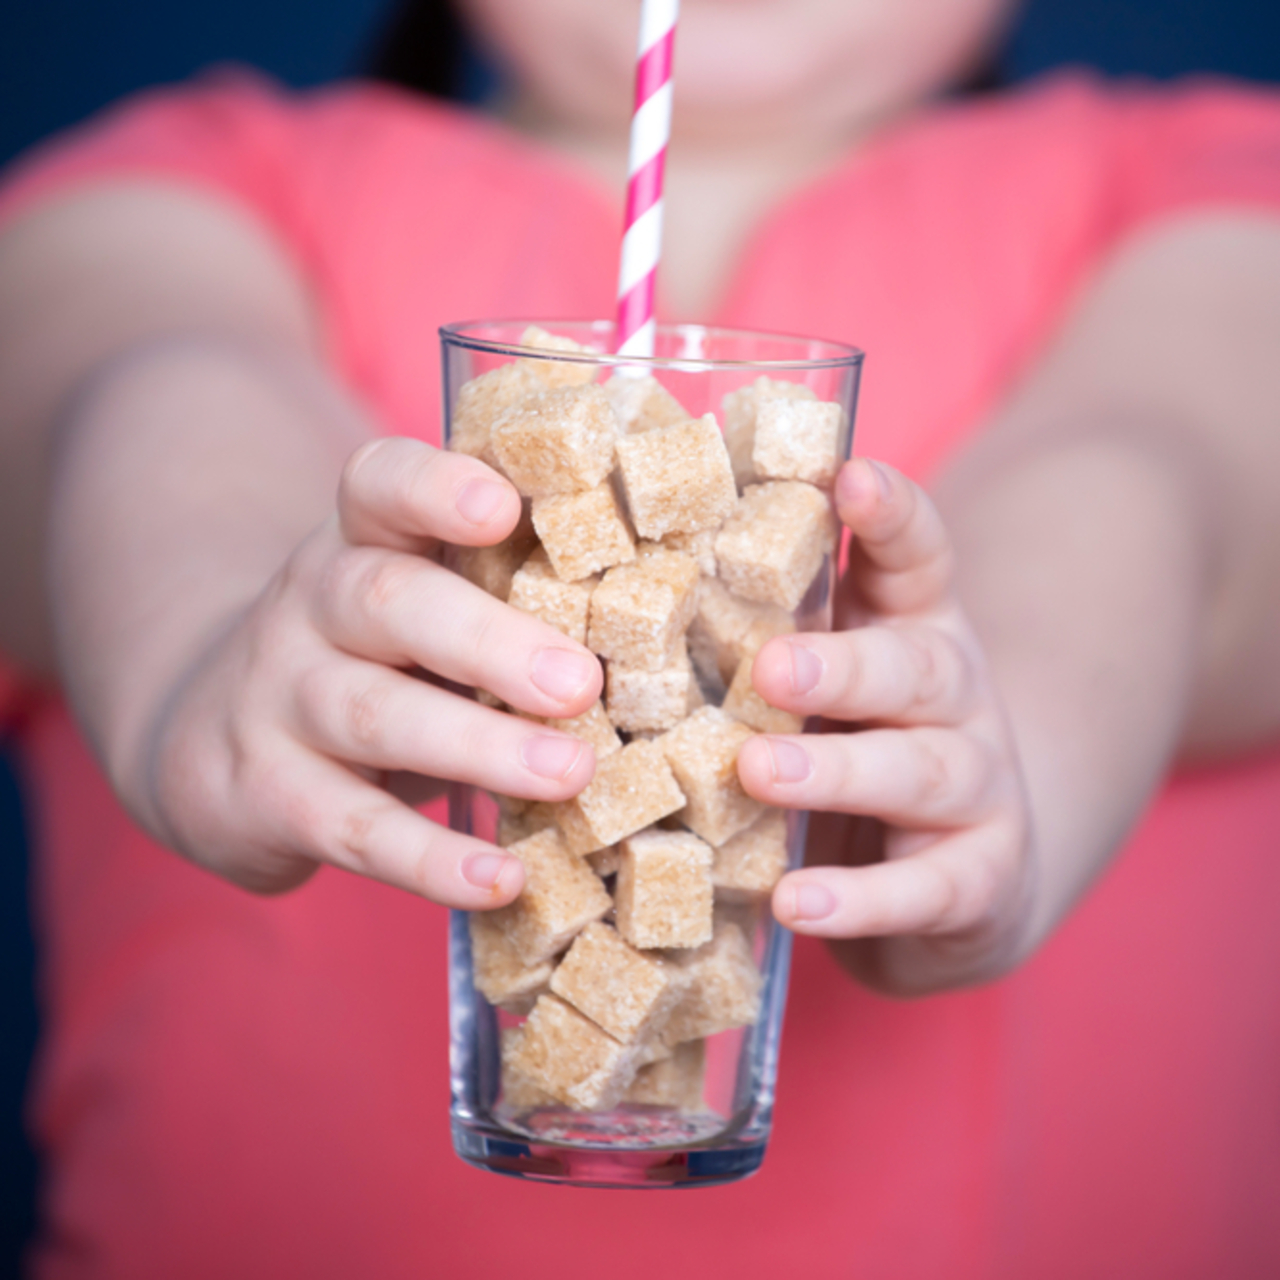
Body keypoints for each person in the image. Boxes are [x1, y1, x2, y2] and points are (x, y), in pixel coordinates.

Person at [1, 0, 1279, 1274]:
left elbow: (1154, 475)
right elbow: (160, 389)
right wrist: (201, 653)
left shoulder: (1207, 199)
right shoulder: (172, 188)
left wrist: (992, 759)